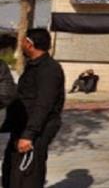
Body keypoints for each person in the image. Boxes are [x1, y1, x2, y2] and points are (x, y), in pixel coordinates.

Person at [2, 28, 66, 188]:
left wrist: (28, 135)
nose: (21, 44)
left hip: (35, 131)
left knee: (27, 176)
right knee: (11, 172)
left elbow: (44, 105)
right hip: (22, 128)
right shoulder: (33, 66)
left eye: (23, 41)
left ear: (30, 44)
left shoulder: (49, 69)